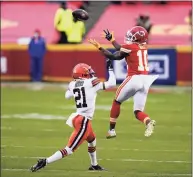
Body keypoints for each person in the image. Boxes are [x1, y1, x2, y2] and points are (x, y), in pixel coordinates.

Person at [30, 60, 116, 172]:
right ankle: (45, 161)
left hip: (78, 118)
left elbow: (67, 96)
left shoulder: (72, 84)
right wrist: (110, 69)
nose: (91, 73)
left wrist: (75, 87)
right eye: (88, 72)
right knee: (69, 149)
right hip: (83, 120)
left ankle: (94, 165)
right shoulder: (91, 82)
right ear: (84, 74)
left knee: (92, 140)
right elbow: (112, 83)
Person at [88, 26, 158, 139]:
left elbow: (116, 52)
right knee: (138, 111)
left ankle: (112, 130)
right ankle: (148, 122)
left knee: (117, 101)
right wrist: (106, 43)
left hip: (134, 78)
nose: (130, 38)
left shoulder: (131, 47)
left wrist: (104, 44)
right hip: (145, 80)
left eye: (132, 36)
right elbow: (117, 54)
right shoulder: (143, 47)